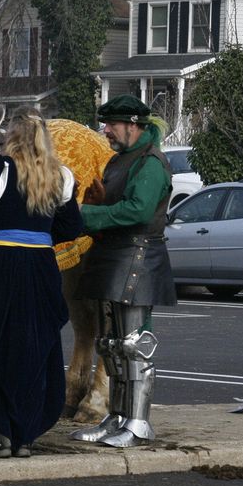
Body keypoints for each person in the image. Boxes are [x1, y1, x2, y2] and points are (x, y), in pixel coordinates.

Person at [0, 109, 82, 458]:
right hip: (40, 268)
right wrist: (36, 234)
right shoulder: (62, 176)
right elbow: (71, 229)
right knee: (34, 347)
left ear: (12, 136)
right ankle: (24, 432)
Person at [70, 94, 177, 448]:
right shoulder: (120, 160)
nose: (106, 130)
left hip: (137, 257)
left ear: (133, 125)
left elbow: (139, 211)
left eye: (112, 124)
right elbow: (119, 204)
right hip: (114, 255)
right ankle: (116, 416)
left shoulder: (150, 163)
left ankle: (138, 422)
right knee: (110, 345)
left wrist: (88, 215)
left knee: (134, 345)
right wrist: (99, 204)